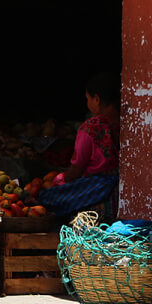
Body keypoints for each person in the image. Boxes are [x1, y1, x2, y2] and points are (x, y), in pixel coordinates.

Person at [40, 74, 120, 218]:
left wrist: (60, 180)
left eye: (87, 99)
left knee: (46, 198)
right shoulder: (131, 123)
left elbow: (76, 171)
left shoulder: (90, 128)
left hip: (98, 193)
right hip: (122, 194)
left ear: (97, 99)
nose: (87, 103)